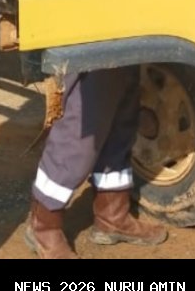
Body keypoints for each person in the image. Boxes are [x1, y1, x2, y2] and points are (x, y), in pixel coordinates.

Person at [25, 65, 167, 259]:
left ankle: (112, 217)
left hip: (122, 47)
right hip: (90, 50)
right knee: (82, 133)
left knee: (121, 121)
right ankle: (44, 226)